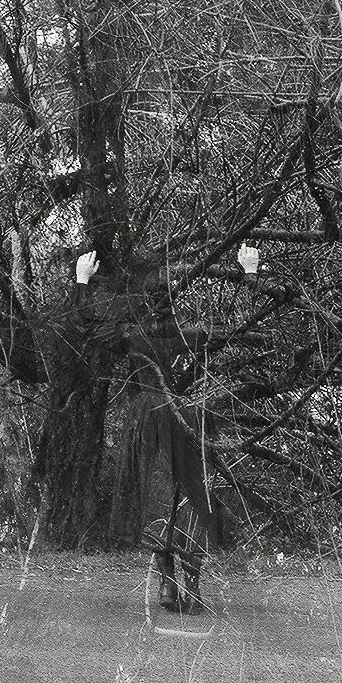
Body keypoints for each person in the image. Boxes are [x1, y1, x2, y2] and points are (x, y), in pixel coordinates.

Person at [75, 242, 260, 613]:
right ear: (175, 300)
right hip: (182, 415)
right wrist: (250, 273)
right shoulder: (189, 331)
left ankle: (169, 583)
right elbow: (239, 326)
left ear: (146, 301)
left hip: (147, 418)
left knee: (158, 493)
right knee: (191, 493)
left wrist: (82, 281)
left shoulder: (131, 333)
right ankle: (186, 583)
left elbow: (88, 329)